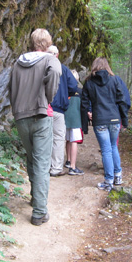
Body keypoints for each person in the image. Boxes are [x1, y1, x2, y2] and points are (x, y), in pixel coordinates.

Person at [9, 29, 62, 226]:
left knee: (32, 158)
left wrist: (17, 108)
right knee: (41, 163)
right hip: (40, 116)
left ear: (32, 43)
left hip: (21, 117)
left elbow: (10, 87)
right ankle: (39, 212)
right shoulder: (50, 60)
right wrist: (49, 97)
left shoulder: (18, 62)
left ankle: (34, 197)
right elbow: (56, 73)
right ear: (48, 43)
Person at [81, 57, 128, 192]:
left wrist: (85, 125)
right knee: (113, 147)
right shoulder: (114, 80)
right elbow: (122, 100)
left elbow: (84, 104)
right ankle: (117, 176)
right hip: (114, 120)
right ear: (107, 66)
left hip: (100, 120)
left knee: (106, 150)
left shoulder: (89, 83)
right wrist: (124, 120)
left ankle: (108, 181)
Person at [47, 46, 78, 177]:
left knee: (44, 137)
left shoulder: (42, 67)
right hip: (58, 109)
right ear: (57, 55)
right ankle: (56, 168)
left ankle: (43, 167)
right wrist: (65, 94)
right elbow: (73, 86)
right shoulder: (64, 69)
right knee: (58, 138)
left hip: (44, 108)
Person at [64, 70, 84, 176]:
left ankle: (68, 160)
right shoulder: (80, 91)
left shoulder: (64, 90)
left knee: (67, 140)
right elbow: (83, 106)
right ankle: (73, 166)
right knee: (74, 141)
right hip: (76, 119)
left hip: (65, 118)